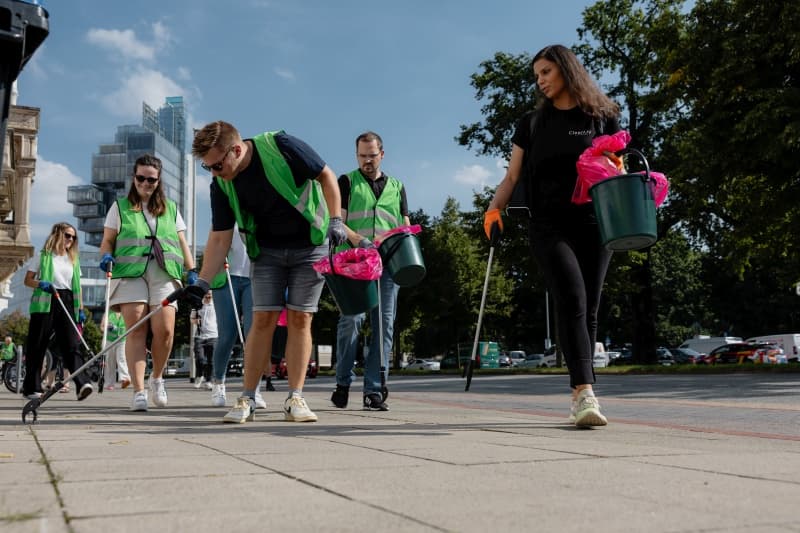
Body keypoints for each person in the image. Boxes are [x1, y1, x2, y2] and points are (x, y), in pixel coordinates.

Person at [483, 44, 622, 427]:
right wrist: (495, 209)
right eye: (536, 76)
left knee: (588, 308)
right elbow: (512, 176)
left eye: (545, 72)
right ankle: (583, 393)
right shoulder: (531, 124)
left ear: (565, 69)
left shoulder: (603, 116)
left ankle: (583, 389)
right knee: (572, 298)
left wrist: (616, 164)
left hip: (596, 223)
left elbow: (617, 168)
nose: (540, 81)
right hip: (548, 224)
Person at [188, 120, 345, 424]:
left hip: (309, 245)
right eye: (208, 168)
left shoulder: (282, 146)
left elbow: (326, 175)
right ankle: (247, 397)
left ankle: (295, 398)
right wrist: (203, 281)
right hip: (266, 252)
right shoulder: (221, 183)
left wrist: (336, 219)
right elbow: (220, 235)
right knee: (262, 319)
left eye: (217, 165)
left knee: (301, 318)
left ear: (236, 149)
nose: (215, 173)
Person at [99, 154, 195, 412]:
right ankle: (139, 391)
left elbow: (182, 243)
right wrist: (106, 255)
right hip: (130, 272)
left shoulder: (171, 208)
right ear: (134, 178)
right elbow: (108, 240)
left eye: (151, 179)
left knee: (165, 331)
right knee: (136, 330)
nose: (145, 183)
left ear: (158, 180)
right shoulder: (119, 207)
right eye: (141, 178)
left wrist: (192, 271)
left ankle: (157, 378)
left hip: (164, 272)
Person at [332, 131, 410, 411]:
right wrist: (359, 240)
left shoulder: (398, 186)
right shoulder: (346, 182)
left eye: (372, 155)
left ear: (382, 154)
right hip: (355, 263)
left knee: (383, 327)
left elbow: (404, 224)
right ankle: (342, 382)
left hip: (388, 265)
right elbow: (338, 222)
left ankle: (374, 391)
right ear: (357, 156)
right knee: (350, 322)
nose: (367, 160)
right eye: (362, 155)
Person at [22, 222, 94, 400]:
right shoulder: (43, 256)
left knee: (72, 344)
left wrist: (81, 309)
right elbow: (27, 280)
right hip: (46, 300)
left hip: (67, 302)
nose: (71, 239)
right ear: (57, 234)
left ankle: (81, 383)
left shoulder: (73, 260)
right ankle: (31, 387)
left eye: (73, 237)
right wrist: (40, 284)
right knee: (37, 345)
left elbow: (78, 287)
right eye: (67, 235)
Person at [207, 226, 266, 408]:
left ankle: (254, 388)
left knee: (254, 335)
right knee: (227, 335)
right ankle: (218, 382)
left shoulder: (261, 211)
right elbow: (214, 244)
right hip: (226, 278)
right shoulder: (227, 212)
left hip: (255, 277)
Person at [191, 291, 217, 390]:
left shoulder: (216, 306)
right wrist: (195, 321)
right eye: (206, 295)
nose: (208, 296)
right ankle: (199, 375)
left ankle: (209, 380)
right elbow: (192, 319)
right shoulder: (197, 305)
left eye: (210, 295)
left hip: (213, 335)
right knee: (200, 358)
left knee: (211, 360)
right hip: (199, 336)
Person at [100, 310, 131, 390]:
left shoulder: (125, 312)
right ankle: (110, 383)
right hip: (109, 340)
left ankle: (125, 379)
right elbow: (102, 327)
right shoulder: (108, 313)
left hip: (122, 340)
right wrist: (107, 328)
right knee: (110, 361)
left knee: (122, 359)